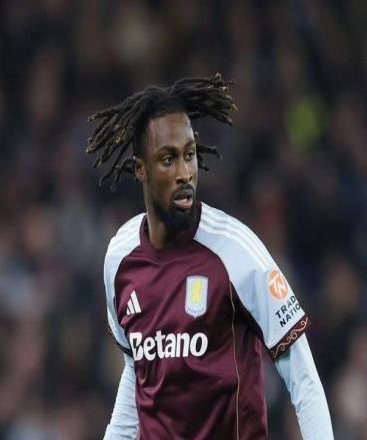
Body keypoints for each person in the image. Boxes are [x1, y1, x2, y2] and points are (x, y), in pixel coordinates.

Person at [86, 74, 334, 439]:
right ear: (140, 169)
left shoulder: (236, 252)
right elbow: (137, 373)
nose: (185, 173)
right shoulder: (120, 259)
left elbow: (304, 379)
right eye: (168, 159)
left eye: (189, 155)